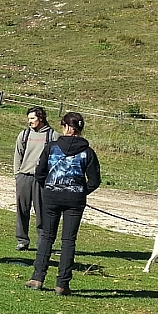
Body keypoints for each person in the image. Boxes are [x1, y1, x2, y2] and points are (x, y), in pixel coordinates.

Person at [25, 112, 101, 296]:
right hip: (75, 200)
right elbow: (94, 180)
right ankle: (62, 283)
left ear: (66, 127)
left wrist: (50, 188)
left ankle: (37, 277)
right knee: (68, 241)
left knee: (47, 236)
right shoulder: (88, 152)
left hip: (51, 196)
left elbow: (40, 172)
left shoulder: (51, 147)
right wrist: (80, 191)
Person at [13, 106, 59, 251]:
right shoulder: (24, 134)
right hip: (24, 177)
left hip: (42, 180)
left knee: (42, 211)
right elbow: (18, 155)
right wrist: (17, 174)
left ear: (41, 118)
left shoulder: (53, 136)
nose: (30, 122)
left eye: (32, 118)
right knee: (22, 210)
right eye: (29, 119)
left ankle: (43, 242)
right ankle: (22, 240)